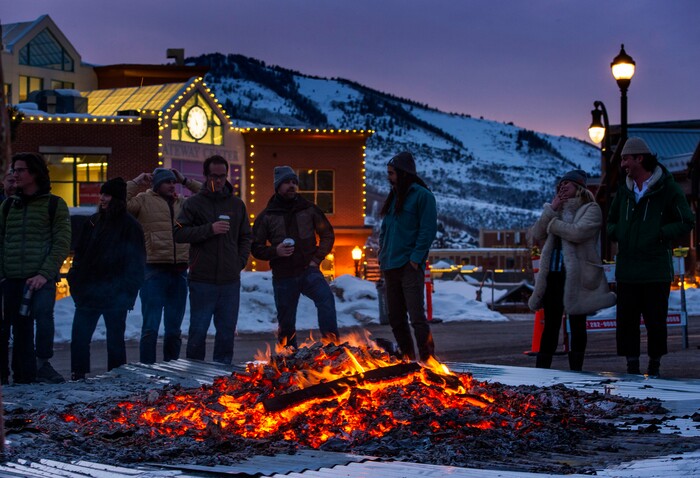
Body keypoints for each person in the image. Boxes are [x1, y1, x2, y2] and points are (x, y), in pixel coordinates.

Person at [608, 137, 694, 376]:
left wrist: (661, 233)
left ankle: (654, 365)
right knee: (626, 322)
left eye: (626, 158)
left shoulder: (667, 188)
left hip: (655, 269)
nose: (623, 163)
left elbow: (687, 221)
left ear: (640, 158)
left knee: (656, 322)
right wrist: (619, 233)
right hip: (627, 269)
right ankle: (632, 366)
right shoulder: (624, 191)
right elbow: (610, 221)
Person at [528, 170, 616, 371]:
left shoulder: (590, 209)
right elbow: (538, 233)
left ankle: (576, 369)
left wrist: (554, 222)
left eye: (567, 183)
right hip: (554, 274)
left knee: (577, 324)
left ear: (579, 187)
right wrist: (552, 209)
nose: (562, 187)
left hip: (578, 276)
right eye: (560, 184)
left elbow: (578, 232)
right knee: (550, 325)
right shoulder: (555, 211)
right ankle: (542, 369)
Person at [0, 152, 71, 384]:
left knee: (43, 317)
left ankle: (42, 364)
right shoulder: (9, 205)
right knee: (18, 328)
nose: (15, 175)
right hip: (11, 278)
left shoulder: (54, 205)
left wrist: (44, 273)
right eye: (13, 170)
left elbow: (62, 242)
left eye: (20, 170)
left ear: (35, 173)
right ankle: (23, 376)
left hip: (41, 277)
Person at [174, 155, 251, 364]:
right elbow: (178, 233)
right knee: (198, 331)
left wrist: (239, 262)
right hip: (202, 279)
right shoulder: (194, 204)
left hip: (229, 280)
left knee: (226, 333)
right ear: (205, 175)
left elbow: (246, 237)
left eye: (222, 176)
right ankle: (193, 377)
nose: (218, 180)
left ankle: (222, 379)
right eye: (214, 176)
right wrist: (209, 229)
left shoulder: (237, 205)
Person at [251, 166, 339, 348]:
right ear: (277, 186)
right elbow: (255, 248)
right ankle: (289, 360)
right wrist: (276, 251)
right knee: (286, 323)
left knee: (326, 299)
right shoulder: (267, 216)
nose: (291, 186)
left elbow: (328, 234)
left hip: (308, 270)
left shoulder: (308, 209)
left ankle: (332, 349)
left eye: (293, 182)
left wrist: (317, 259)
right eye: (286, 182)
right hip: (283, 276)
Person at [68, 178, 146, 380]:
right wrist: (75, 281)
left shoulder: (130, 226)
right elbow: (80, 254)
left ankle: (117, 375)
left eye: (107, 194)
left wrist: (127, 292)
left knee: (115, 339)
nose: (102, 198)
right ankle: (78, 373)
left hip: (115, 294)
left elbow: (137, 262)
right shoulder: (93, 221)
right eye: (101, 194)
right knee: (79, 336)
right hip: (89, 291)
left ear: (117, 198)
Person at [127, 168, 202, 364]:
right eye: (167, 182)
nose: (172, 185)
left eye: (173, 182)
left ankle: (172, 368)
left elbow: (208, 198)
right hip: (153, 271)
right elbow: (120, 202)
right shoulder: (143, 200)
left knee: (174, 330)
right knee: (150, 328)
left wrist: (185, 179)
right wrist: (137, 180)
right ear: (157, 184)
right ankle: (148, 369)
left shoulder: (183, 204)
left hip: (179, 273)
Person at [379, 151, 437, 362]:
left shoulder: (423, 196)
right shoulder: (394, 196)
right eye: (388, 173)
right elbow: (385, 228)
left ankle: (429, 360)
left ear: (403, 173)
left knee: (417, 318)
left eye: (392, 173)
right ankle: (408, 359)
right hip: (390, 265)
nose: (389, 177)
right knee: (395, 317)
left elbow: (428, 230)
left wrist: (415, 258)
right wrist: (381, 253)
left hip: (409, 266)